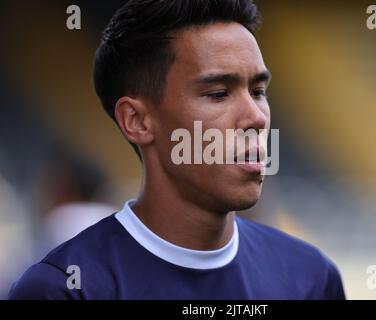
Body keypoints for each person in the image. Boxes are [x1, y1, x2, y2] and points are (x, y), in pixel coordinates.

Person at [9, 0, 345, 299]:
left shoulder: (312, 278)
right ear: (138, 120)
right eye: (217, 93)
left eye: (258, 91)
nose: (256, 117)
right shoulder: (66, 288)